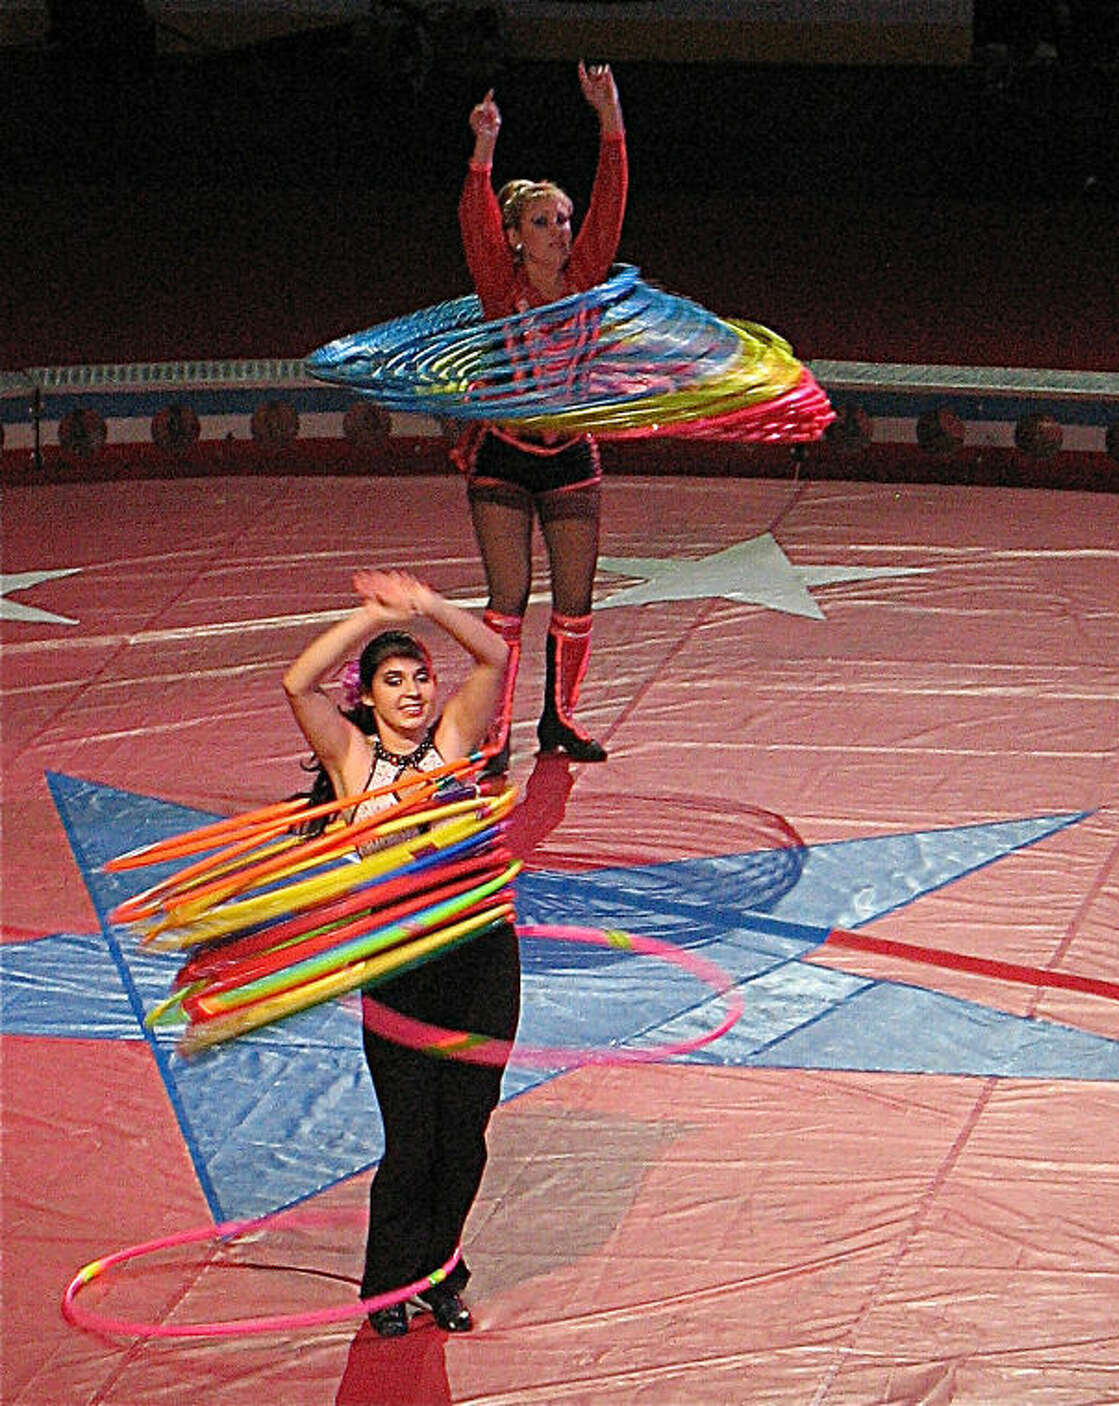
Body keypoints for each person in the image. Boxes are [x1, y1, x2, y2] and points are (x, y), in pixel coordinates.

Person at [282, 567, 521, 1337]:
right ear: (370, 696)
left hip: (481, 960)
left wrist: (431, 607)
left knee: (466, 1136)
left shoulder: (454, 745)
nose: (415, 691)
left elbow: (494, 659)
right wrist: (373, 614)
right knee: (411, 1140)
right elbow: (298, 683)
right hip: (400, 968)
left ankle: (441, 1274)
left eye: (421, 677)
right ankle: (388, 1287)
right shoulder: (353, 764)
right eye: (395, 680)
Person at [456, 60, 627, 773]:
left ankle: (558, 719)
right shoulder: (501, 286)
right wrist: (484, 149)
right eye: (543, 221)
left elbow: (611, 198)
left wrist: (609, 116)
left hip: (570, 457)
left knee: (577, 599)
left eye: (563, 219)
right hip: (504, 454)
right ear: (517, 235)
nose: (560, 229)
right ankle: (493, 735)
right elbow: (474, 218)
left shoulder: (587, 277)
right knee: (508, 597)